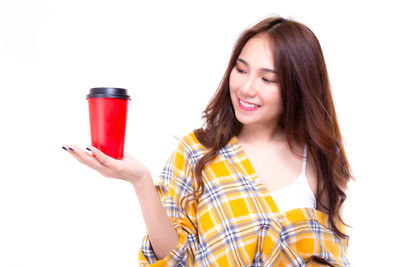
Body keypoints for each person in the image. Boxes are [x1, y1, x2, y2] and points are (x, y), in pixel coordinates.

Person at [62, 16, 352, 266]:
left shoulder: (318, 158)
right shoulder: (198, 152)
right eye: (241, 69)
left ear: (298, 87)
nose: (246, 88)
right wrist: (140, 181)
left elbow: (331, 256)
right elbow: (174, 258)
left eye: (268, 79)